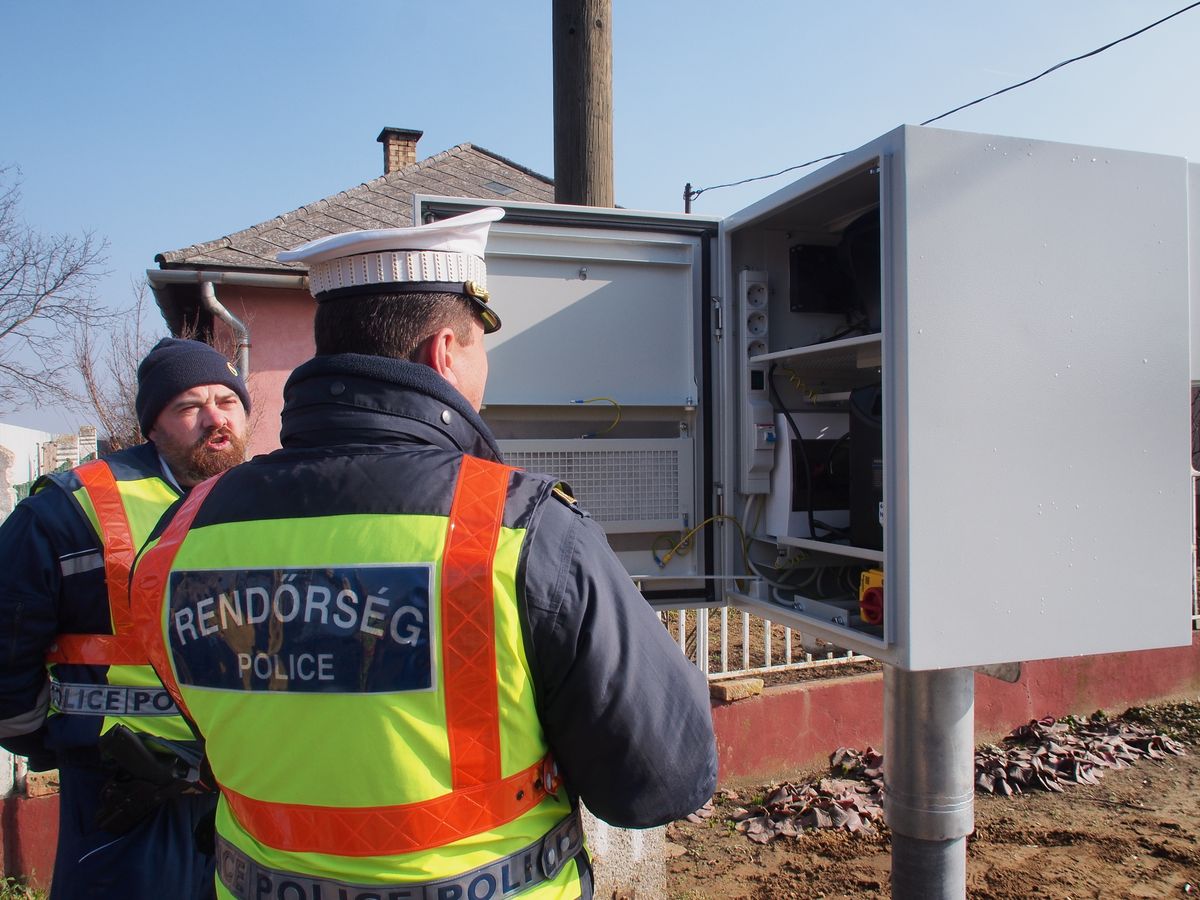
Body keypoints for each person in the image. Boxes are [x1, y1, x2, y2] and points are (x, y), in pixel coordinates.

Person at [131, 207, 718, 900]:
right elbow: (662, 779)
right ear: (444, 352)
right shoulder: (519, 531)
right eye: (480, 348)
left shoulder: (178, 538)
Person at [0, 338, 251, 899]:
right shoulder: (69, 509)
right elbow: (6, 640)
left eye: (226, 401)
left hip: (245, 790)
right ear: (153, 427)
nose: (214, 418)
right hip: (125, 797)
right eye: (188, 406)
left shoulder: (266, 500)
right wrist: (49, 740)